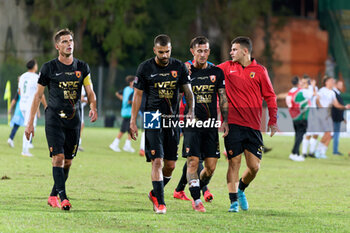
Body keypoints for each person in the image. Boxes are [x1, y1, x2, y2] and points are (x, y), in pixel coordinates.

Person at [25, 28, 98, 211]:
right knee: (58, 157)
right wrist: (30, 123)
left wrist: (93, 107)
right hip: (54, 119)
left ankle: (52, 195)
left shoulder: (82, 67)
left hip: (74, 120)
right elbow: (37, 96)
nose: (69, 44)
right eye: (64, 41)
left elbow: (90, 91)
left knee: (68, 161)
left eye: (71, 40)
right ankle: (63, 197)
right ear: (57, 46)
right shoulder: (49, 68)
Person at [129, 34, 194, 214]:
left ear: (170, 49)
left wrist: (191, 111)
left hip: (172, 118)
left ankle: (155, 192)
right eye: (161, 52)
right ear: (154, 50)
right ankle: (161, 203)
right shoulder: (145, 68)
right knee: (156, 160)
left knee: (170, 165)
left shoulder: (179, 66)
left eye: (167, 52)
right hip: (152, 116)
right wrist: (133, 120)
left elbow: (188, 92)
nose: (164, 55)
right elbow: (138, 95)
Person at [217, 36, 278, 212]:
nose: (231, 52)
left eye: (234, 49)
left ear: (245, 51)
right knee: (233, 162)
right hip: (233, 124)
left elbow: (270, 96)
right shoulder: (226, 67)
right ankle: (233, 202)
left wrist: (273, 120)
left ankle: (241, 189)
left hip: (253, 126)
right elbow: (207, 71)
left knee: (254, 167)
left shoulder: (260, 71)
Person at [181, 36, 228, 212]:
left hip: (210, 125)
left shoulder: (216, 72)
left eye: (206, 50)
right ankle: (196, 199)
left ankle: (196, 186)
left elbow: (223, 97)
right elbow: (178, 95)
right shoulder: (185, 71)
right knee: (192, 161)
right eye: (199, 51)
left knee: (210, 167)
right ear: (192, 51)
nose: (203, 54)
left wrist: (226, 121)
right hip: (192, 124)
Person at [315, 76, 349, 159]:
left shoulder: (332, 93)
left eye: (332, 81)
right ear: (326, 82)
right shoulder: (322, 90)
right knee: (328, 132)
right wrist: (321, 108)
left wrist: (345, 107)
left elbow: (336, 104)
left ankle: (322, 152)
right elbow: (317, 100)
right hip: (323, 114)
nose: (332, 82)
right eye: (330, 81)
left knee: (330, 134)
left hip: (328, 115)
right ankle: (317, 151)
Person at [18, 59, 47, 156]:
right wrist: (45, 105)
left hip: (22, 104)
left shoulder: (22, 76)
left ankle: (26, 147)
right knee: (30, 126)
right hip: (30, 105)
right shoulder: (36, 77)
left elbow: (19, 91)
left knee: (28, 125)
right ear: (34, 66)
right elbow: (40, 94)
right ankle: (25, 150)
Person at [287, 76, 313, 162]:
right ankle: (293, 153)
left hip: (294, 116)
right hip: (302, 116)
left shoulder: (290, 92)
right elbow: (311, 94)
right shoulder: (302, 91)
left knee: (297, 135)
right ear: (298, 83)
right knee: (300, 135)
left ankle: (296, 154)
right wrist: (310, 85)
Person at [110, 75, 135, 153]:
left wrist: (122, 98)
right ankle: (114, 144)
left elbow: (117, 93)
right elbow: (129, 101)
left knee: (130, 129)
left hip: (126, 111)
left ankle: (127, 145)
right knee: (123, 129)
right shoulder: (131, 90)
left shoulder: (126, 89)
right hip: (128, 112)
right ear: (131, 82)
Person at [301, 77, 318, 158]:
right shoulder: (303, 91)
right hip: (308, 113)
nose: (304, 84)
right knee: (308, 133)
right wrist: (314, 86)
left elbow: (316, 97)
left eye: (305, 82)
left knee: (316, 133)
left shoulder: (311, 88)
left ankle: (311, 152)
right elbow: (314, 94)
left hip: (314, 112)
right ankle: (304, 152)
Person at [7, 81, 24, 148]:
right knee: (28, 125)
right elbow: (14, 100)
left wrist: (10, 108)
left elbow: (14, 100)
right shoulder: (21, 90)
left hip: (18, 110)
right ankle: (28, 143)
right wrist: (10, 108)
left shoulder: (20, 90)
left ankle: (10, 138)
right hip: (23, 111)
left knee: (16, 126)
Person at [331, 79, 345, 155]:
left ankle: (335, 150)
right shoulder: (334, 93)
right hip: (335, 117)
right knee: (334, 134)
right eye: (340, 84)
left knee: (333, 134)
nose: (342, 86)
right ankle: (335, 151)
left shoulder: (337, 93)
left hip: (337, 117)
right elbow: (336, 106)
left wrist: (343, 118)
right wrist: (345, 107)